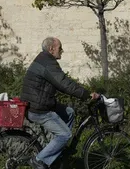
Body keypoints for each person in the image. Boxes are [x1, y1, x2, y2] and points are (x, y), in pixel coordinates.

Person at [21, 37, 99, 169]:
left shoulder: (44, 59)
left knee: (69, 113)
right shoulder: (48, 63)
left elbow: (61, 82)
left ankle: (57, 151)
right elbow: (64, 84)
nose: (62, 51)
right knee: (65, 134)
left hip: (37, 103)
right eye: (60, 48)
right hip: (39, 109)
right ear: (51, 49)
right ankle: (39, 160)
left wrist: (78, 91)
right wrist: (86, 95)